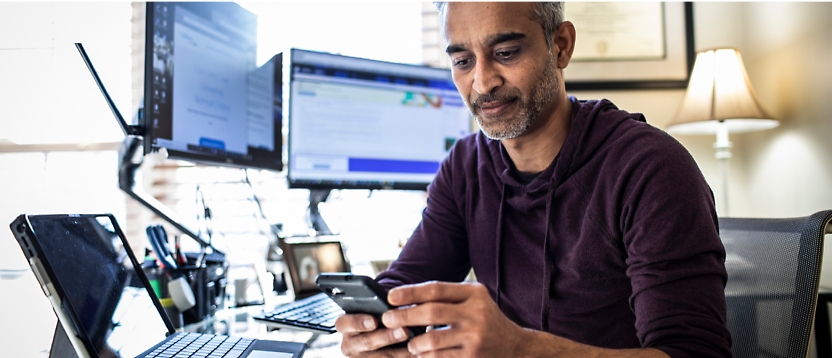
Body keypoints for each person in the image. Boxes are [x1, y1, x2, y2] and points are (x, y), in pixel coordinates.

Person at [335, 2, 731, 357]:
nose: (482, 82)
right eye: (462, 61)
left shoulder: (651, 169)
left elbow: (695, 352)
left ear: (560, 45)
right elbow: (406, 285)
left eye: (505, 53)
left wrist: (520, 348)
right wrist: (373, 327)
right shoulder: (465, 167)